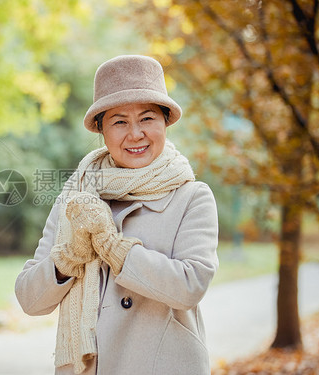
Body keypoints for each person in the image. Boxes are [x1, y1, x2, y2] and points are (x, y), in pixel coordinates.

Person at [14, 55, 219, 375]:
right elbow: (30, 299)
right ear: (102, 130)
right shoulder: (74, 198)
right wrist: (68, 258)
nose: (135, 134)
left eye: (148, 118)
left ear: (165, 122)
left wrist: (113, 247)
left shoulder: (191, 197)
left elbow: (190, 286)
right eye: (120, 121)